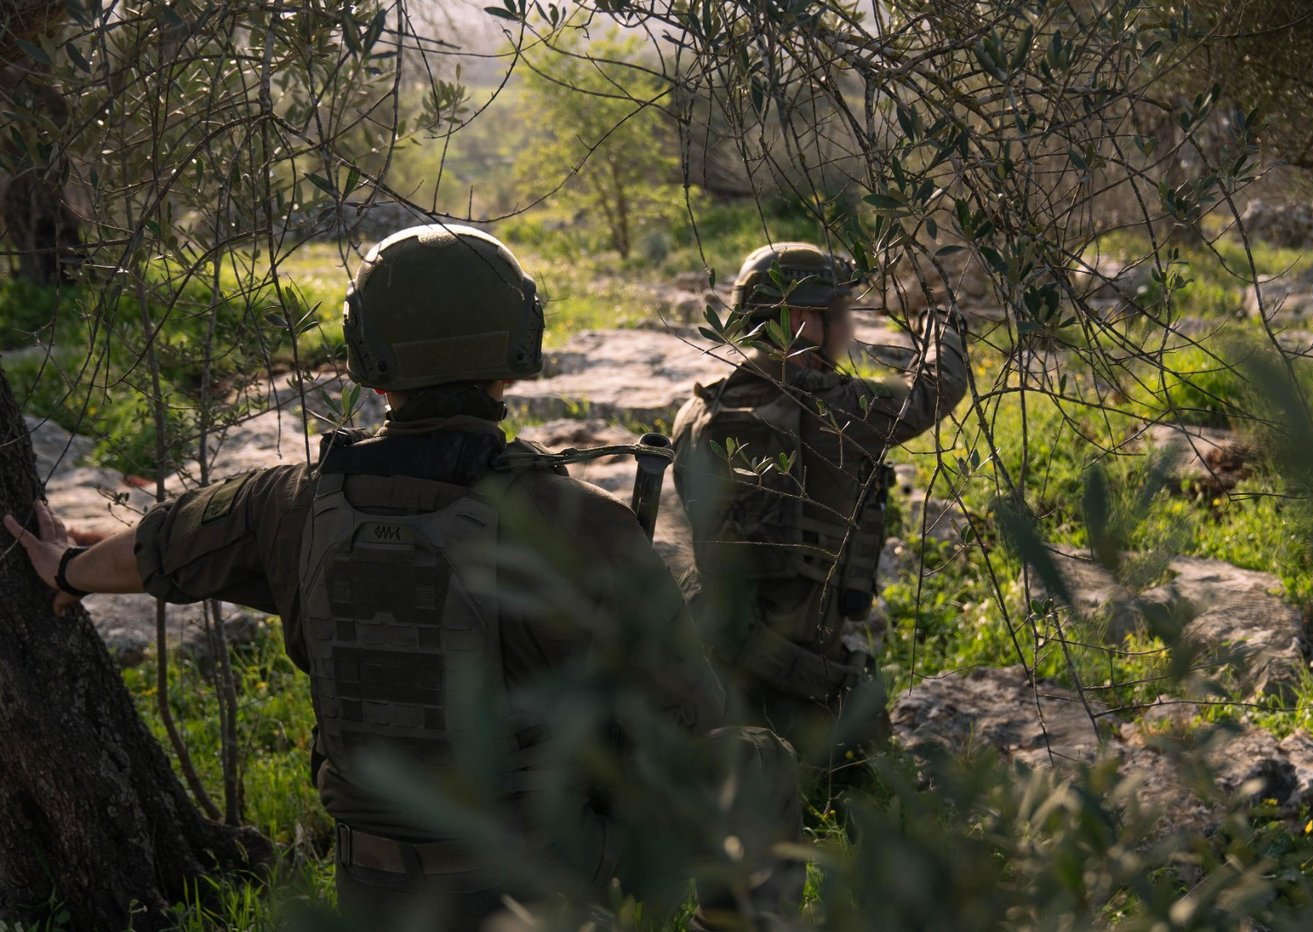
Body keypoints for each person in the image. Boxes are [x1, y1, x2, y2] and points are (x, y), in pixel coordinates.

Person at [4, 224, 800, 931]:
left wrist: (69, 564)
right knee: (756, 758)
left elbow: (159, 549)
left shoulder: (284, 504)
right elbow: (686, 717)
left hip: (371, 892)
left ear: (371, 365)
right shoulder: (579, 521)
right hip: (534, 891)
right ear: (510, 360)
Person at [671, 241, 968, 772]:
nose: (850, 328)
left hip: (718, 675)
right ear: (804, 319)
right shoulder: (832, 409)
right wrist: (943, 329)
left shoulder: (696, 411)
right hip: (807, 690)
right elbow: (931, 392)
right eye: (841, 313)